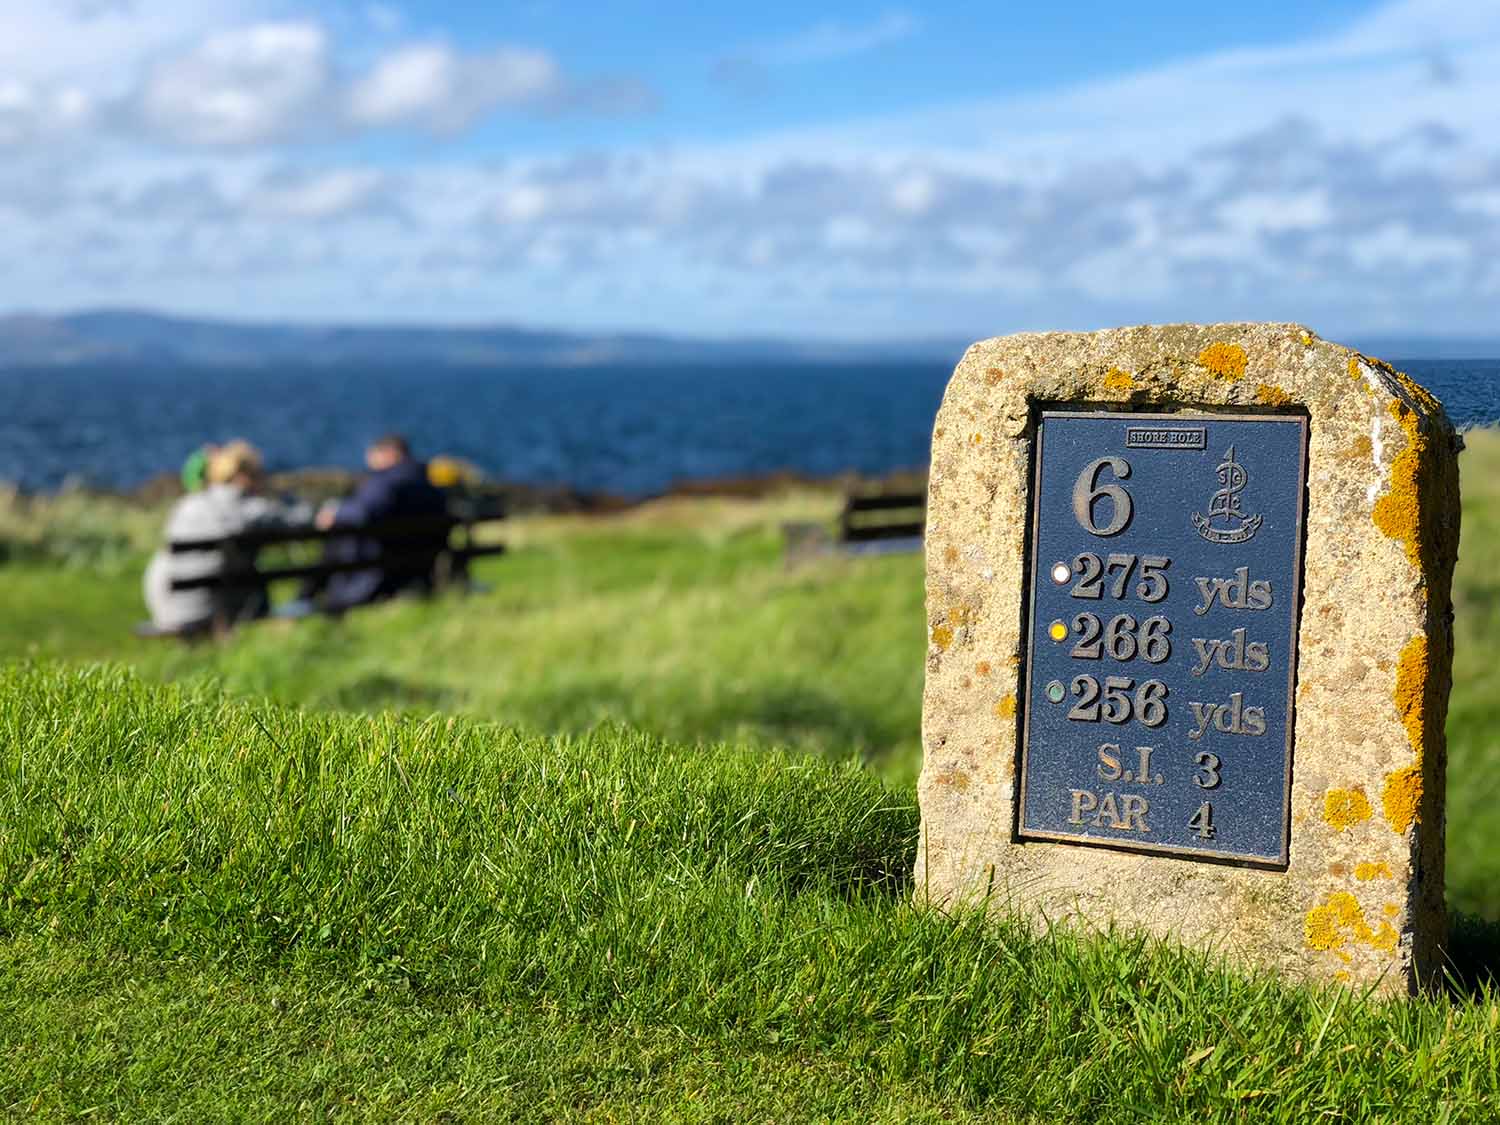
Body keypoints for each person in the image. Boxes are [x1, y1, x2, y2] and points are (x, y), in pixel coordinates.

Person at [143, 440, 313, 632]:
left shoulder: (186, 505)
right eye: (259, 473)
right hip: (213, 609)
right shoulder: (253, 510)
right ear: (244, 476)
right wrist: (282, 494)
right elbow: (303, 520)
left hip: (166, 605)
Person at [311, 433, 449, 613]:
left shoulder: (387, 482)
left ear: (390, 454)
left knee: (338, 539)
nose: (369, 462)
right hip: (417, 569)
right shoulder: (429, 484)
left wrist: (336, 513)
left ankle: (306, 598)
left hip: (378, 572)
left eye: (373, 455)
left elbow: (365, 512)